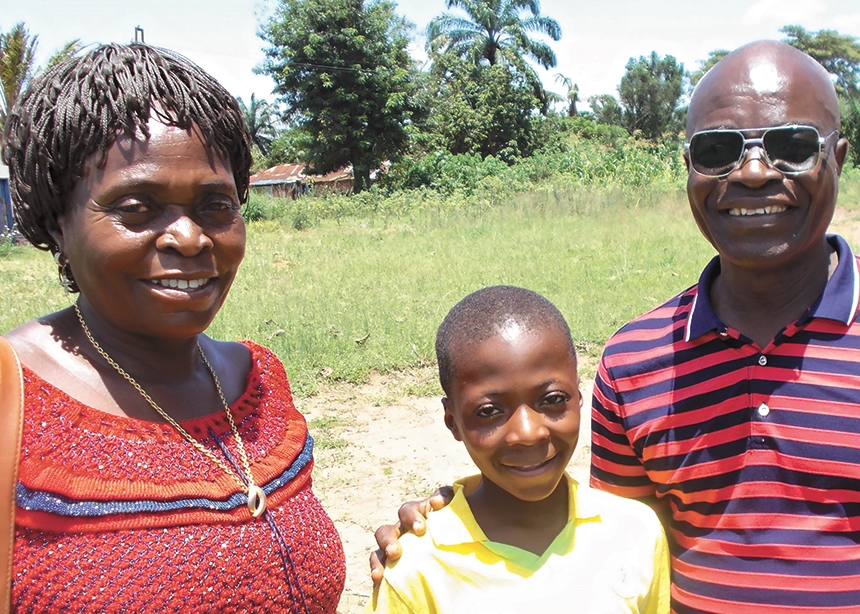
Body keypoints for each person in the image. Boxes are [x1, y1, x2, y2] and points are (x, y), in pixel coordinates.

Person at [372, 41, 857, 613]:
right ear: (689, 170)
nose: (752, 172)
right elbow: (612, 549)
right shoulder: (634, 363)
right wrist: (453, 523)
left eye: (792, 146)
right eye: (718, 150)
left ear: (839, 159)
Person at [2, 43, 344, 613]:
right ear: (56, 221)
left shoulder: (257, 383)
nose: (189, 238)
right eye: (137, 207)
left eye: (216, 205)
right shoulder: (17, 396)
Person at [368, 286, 669, 614]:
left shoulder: (634, 530)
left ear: (579, 398)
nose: (528, 433)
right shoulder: (416, 567)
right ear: (452, 421)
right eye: (489, 411)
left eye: (553, 400)